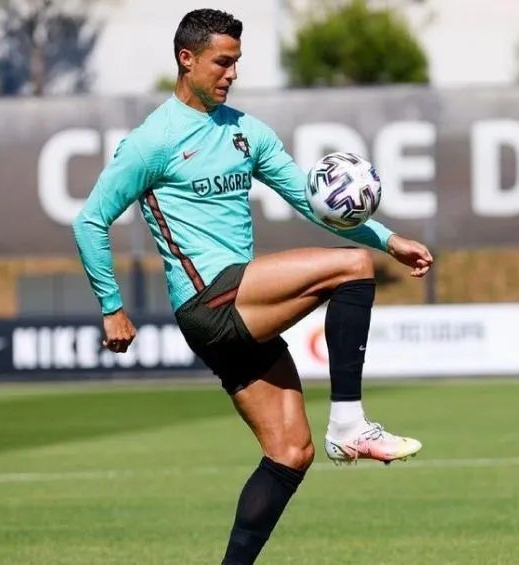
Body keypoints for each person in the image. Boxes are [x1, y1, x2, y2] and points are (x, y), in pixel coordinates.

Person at [72, 7, 434, 565]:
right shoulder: (152, 142)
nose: (231, 74)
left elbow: (315, 204)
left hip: (240, 305)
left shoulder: (246, 131)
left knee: (291, 452)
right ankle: (350, 423)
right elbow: (90, 220)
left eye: (237, 63)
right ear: (185, 59)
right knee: (354, 268)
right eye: (222, 62)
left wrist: (389, 238)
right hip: (210, 300)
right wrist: (112, 307)